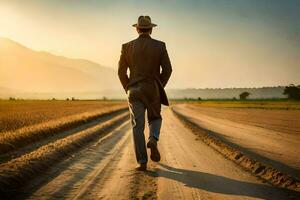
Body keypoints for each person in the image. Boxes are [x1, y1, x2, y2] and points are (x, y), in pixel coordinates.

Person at [118, 15, 172, 171]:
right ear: (151, 30)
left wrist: (128, 87)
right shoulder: (160, 46)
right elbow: (168, 70)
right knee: (155, 117)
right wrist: (159, 85)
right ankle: (153, 138)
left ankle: (142, 162)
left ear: (137, 29)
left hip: (133, 91)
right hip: (152, 89)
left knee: (137, 126)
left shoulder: (126, 47)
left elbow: (121, 72)